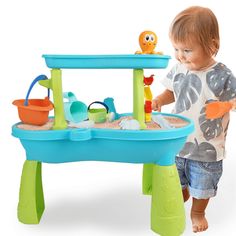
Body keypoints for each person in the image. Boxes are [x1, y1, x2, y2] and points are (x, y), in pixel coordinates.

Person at [152, 6, 236, 233]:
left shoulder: (222, 74)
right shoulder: (180, 68)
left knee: (202, 186)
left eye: (187, 49)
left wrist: (226, 105)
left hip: (207, 149)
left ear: (212, 45)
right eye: (176, 48)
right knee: (176, 181)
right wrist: (160, 99)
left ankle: (198, 212)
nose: (180, 55)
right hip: (178, 143)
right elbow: (172, 90)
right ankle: (183, 192)